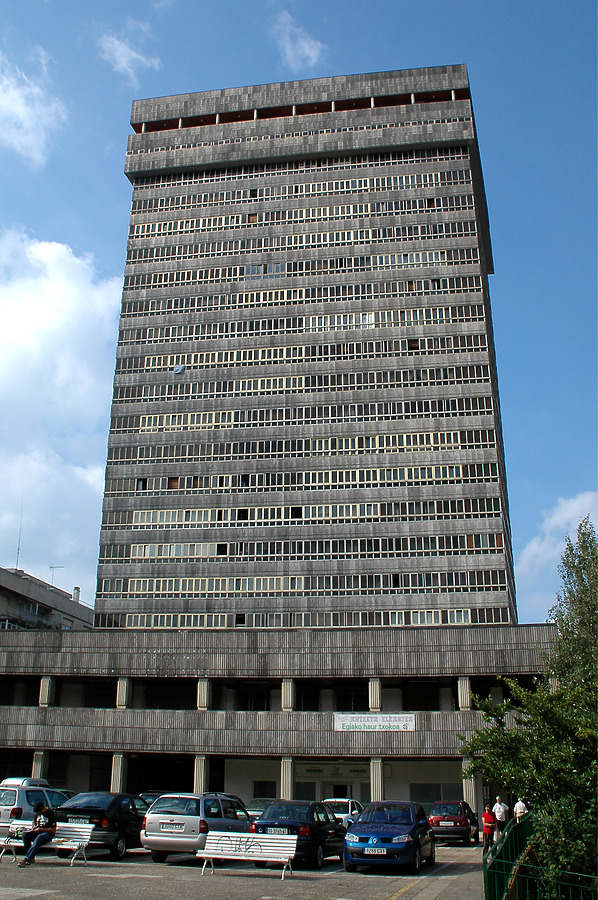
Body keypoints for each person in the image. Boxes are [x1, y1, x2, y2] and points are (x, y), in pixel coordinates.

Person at [17, 800, 57, 867]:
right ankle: (31, 857)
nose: (38, 814)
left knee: (39, 837)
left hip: (47, 834)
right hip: (38, 832)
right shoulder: (37, 813)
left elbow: (53, 830)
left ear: (43, 809)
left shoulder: (51, 813)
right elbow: (34, 822)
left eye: (39, 813)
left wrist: (41, 829)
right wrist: (33, 828)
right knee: (25, 835)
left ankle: (28, 858)